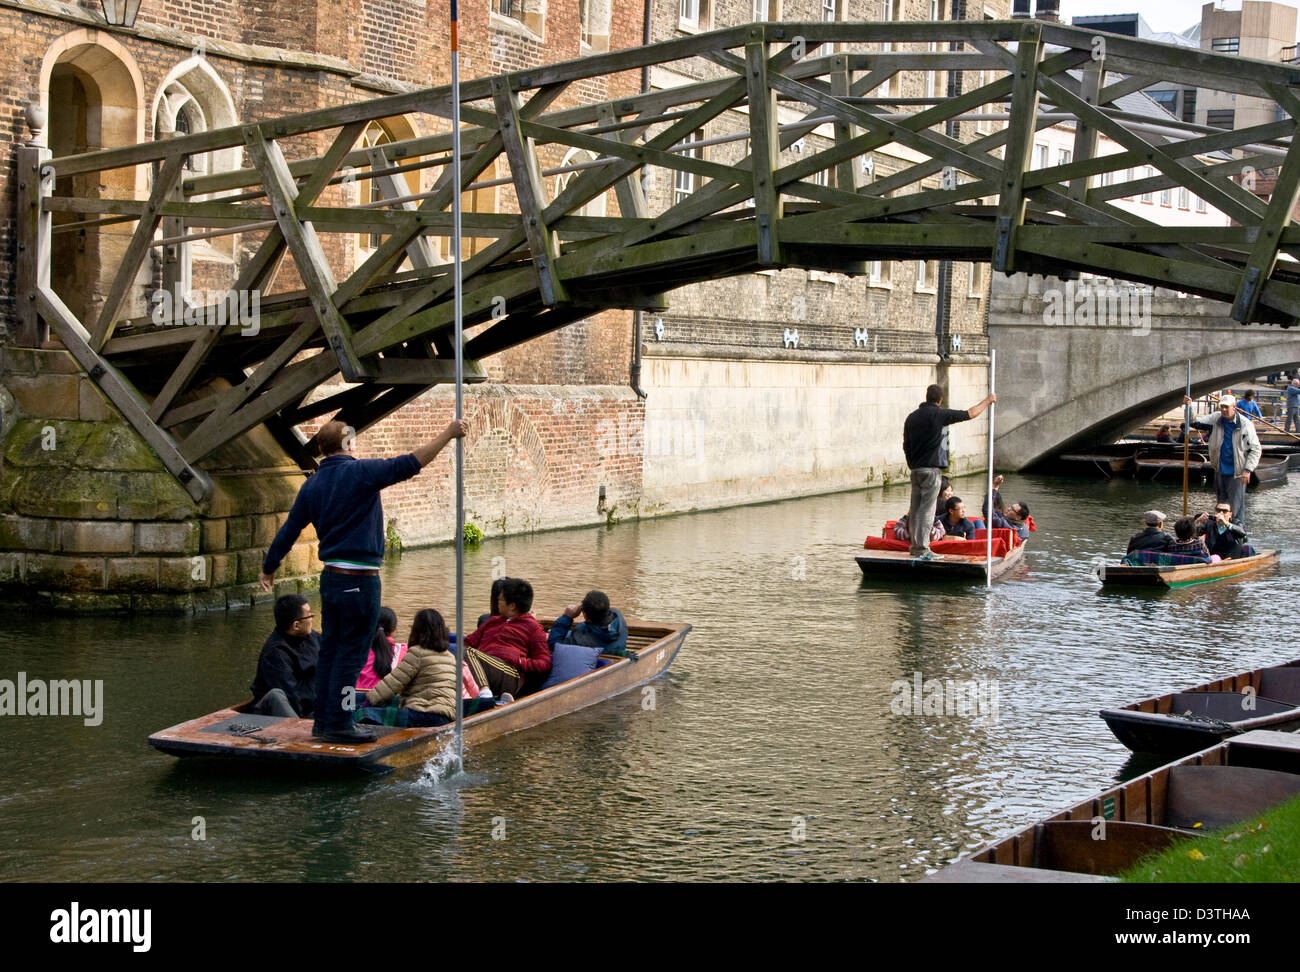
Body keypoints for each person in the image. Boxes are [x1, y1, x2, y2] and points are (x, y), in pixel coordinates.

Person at [259, 417, 466, 745]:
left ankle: (324, 721)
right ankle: (341, 721)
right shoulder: (360, 472)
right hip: (360, 579)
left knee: (330, 651)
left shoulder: (312, 485)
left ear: (322, 449)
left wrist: (269, 567)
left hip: (331, 580)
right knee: (351, 655)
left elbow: (289, 531)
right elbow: (411, 463)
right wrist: (449, 434)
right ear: (348, 445)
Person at [902, 384, 996, 561]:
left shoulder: (911, 417)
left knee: (915, 509)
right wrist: (988, 400)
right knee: (927, 511)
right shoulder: (939, 414)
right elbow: (971, 413)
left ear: (927, 396)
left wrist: (911, 463)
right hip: (931, 470)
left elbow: (905, 444)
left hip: (915, 470)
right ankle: (922, 549)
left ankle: (915, 547)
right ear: (939, 400)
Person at [360, 609, 458, 728]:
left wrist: (367, 703)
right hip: (446, 717)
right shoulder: (450, 657)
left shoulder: (417, 653)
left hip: (421, 715)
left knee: (368, 714)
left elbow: (392, 683)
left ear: (416, 631)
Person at [464, 577, 551, 698]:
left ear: (511, 606)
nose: (497, 603)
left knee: (468, 652)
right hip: (486, 665)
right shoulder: (492, 621)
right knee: (456, 652)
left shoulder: (533, 628)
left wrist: (520, 661)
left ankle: (485, 695)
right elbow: (467, 642)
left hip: (510, 674)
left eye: (500, 600)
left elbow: (544, 663)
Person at [1185, 394, 1261, 528]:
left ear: (1234, 407)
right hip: (1219, 469)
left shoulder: (1245, 424)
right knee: (1220, 506)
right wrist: (1189, 407)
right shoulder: (1216, 419)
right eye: (1222, 407)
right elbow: (1194, 422)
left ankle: (1237, 536)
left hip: (1237, 473)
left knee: (1235, 508)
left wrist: (1248, 470)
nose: (1224, 410)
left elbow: (1255, 449)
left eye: (1226, 407)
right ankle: (1220, 535)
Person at [249, 594, 319, 718]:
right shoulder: (276, 654)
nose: (312, 618)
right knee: (277, 695)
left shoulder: (312, 637)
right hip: (292, 713)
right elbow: (291, 696)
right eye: (310, 615)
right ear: (296, 625)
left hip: (315, 704)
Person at [546, 589, 630, 681]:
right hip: (611, 648)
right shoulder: (617, 616)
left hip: (595, 653)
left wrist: (567, 617)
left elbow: (553, 645)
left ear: (585, 615)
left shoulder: (581, 636)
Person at [356, 606, 406, 692]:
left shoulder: (357, 651)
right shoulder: (403, 651)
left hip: (356, 699)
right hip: (388, 701)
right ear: (393, 629)